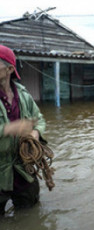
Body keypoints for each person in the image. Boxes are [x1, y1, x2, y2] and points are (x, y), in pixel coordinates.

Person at [0, 45, 45, 213]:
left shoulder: (24, 96)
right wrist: (7, 129)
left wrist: (35, 133)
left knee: (30, 213)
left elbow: (39, 119)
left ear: (10, 69)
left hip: (23, 169)